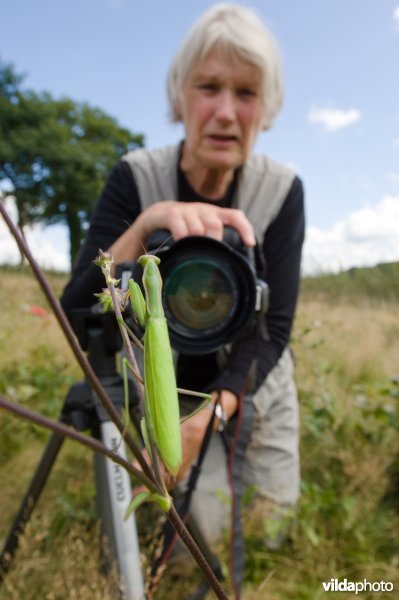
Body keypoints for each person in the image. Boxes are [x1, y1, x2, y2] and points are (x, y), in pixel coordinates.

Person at [61, 3, 304, 554]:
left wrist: (208, 416)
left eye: (245, 93)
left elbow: (276, 327)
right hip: (164, 377)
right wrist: (143, 229)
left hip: (249, 376)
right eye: (208, 87)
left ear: (266, 109)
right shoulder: (135, 176)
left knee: (271, 523)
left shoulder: (282, 191)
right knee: (209, 530)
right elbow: (80, 313)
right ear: (178, 98)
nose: (224, 111)